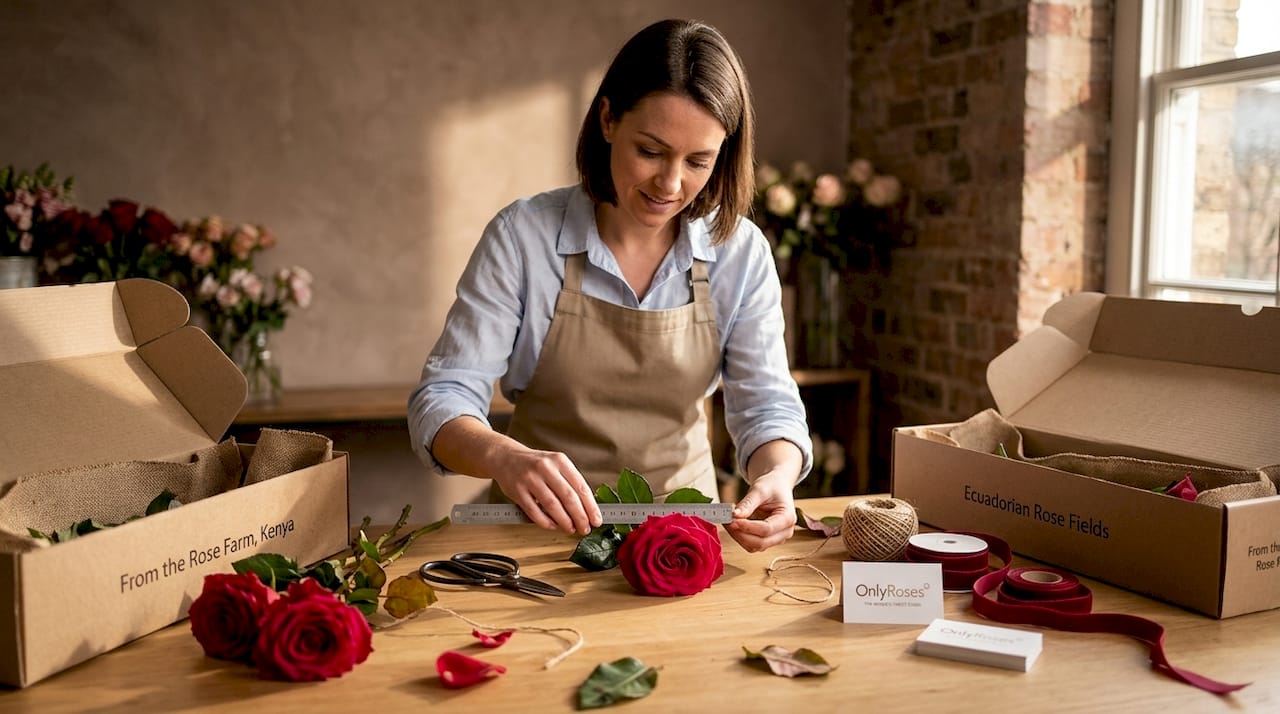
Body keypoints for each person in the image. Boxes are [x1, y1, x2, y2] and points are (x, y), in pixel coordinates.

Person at [408, 18, 812, 553]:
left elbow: (767, 407)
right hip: (532, 537)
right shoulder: (523, 237)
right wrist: (504, 457)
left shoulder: (740, 250)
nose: (670, 185)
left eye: (698, 161)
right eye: (650, 150)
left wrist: (777, 476)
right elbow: (444, 395)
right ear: (606, 119)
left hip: (684, 543)